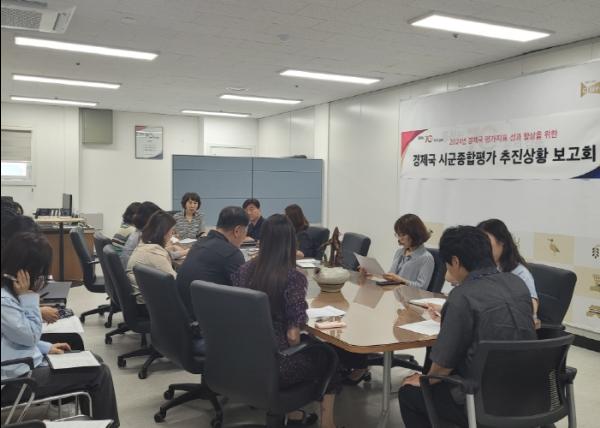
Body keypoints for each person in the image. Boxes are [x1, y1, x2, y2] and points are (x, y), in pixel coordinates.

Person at [398, 226, 536, 428]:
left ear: (455, 261)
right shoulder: (516, 283)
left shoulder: (462, 296)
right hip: (530, 394)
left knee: (409, 393)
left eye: (447, 264)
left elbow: (443, 366)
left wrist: (425, 380)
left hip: (481, 401)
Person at [232, 214, 340, 428]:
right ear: (291, 242)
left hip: (242, 358)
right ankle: (328, 425)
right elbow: (292, 337)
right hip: (277, 364)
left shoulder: (244, 270)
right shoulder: (293, 277)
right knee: (330, 358)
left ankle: (295, 415)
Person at [1, 232, 120, 425]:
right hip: (15, 381)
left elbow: (13, 338)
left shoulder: (7, 293)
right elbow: (30, 336)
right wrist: (29, 297)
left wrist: (47, 348)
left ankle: (95, 422)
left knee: (93, 360)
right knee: (99, 373)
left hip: (21, 367)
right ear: (27, 272)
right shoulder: (5, 301)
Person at [176, 206, 248, 318]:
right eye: (245, 231)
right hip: (206, 321)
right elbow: (244, 296)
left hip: (183, 315)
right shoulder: (231, 254)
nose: (245, 237)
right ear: (237, 231)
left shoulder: (199, 243)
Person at [477, 218, 539, 318]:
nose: (483, 247)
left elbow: (531, 308)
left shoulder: (520, 273)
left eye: (486, 241)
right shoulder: (480, 269)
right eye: (479, 243)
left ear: (502, 241)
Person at [127, 211, 177, 304]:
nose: (172, 235)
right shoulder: (155, 254)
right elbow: (175, 282)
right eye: (172, 231)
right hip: (149, 303)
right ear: (164, 232)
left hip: (141, 297)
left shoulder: (144, 244)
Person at [380, 214, 434, 289]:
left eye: (403, 235)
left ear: (414, 234)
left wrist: (401, 280)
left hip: (408, 295)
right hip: (393, 292)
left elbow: (422, 287)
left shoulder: (426, 258)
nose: (399, 239)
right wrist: (376, 274)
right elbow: (391, 275)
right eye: (398, 235)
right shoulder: (399, 252)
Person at [120, 201, 161, 268]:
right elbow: (158, 256)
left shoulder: (137, 232)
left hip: (127, 269)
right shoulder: (142, 236)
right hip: (132, 271)